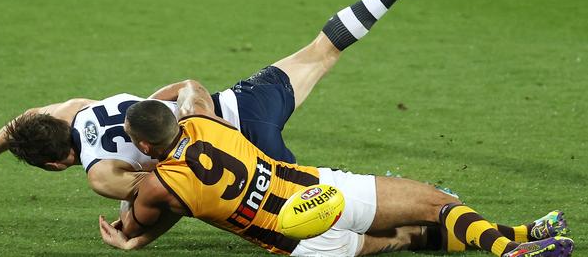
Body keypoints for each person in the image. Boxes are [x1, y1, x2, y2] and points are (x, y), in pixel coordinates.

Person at [0, 0, 437, 200]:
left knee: (311, 197)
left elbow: (171, 196)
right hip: (236, 101)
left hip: (237, 151)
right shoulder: (80, 109)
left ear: (56, 163)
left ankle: (420, 200)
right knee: (321, 49)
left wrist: (130, 230)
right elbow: (31, 112)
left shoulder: (99, 174)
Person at [99, 82, 574, 257]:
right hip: (314, 210)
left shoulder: (157, 187)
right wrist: (164, 100)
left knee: (421, 219)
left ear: (143, 145)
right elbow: (190, 85)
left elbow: (137, 225)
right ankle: (513, 241)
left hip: (293, 232)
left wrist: (130, 237)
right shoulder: (202, 117)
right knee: (427, 212)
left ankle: (515, 240)